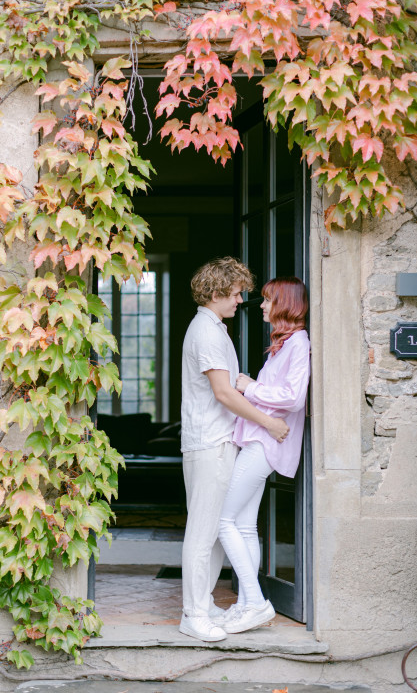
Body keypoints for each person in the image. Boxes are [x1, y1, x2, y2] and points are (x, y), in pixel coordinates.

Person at [179, 257, 290, 643]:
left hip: (218, 441)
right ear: (215, 293)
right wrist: (270, 422)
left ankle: (203, 603)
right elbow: (224, 392)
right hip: (210, 442)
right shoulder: (207, 332)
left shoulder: (214, 329)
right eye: (236, 293)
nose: (241, 300)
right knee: (203, 531)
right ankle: (193, 614)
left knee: (212, 532)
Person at [216, 276, 310, 635]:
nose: (261, 304)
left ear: (285, 303)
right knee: (243, 525)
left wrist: (249, 386)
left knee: (224, 521)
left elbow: (292, 397)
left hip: (264, 444)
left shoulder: (298, 343)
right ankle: (245, 604)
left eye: (268, 299)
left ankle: (254, 602)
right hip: (258, 439)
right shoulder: (284, 345)